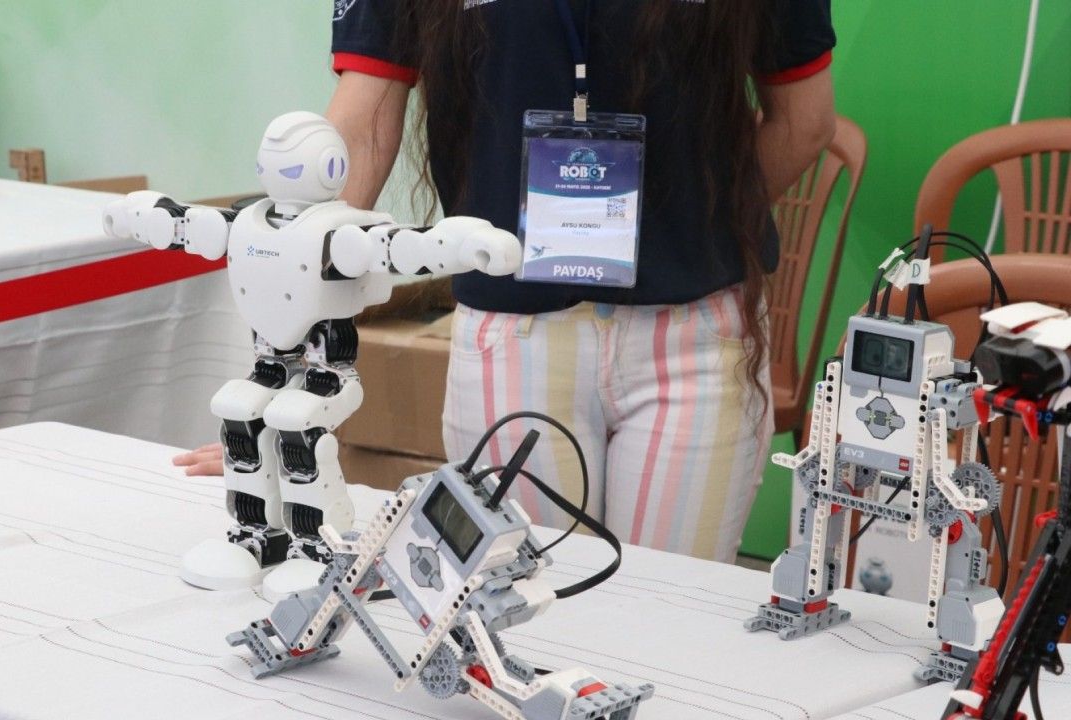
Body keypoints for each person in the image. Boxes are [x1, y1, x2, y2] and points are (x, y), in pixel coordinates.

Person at [176, 0, 836, 564]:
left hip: (664, 346)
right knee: (585, 612)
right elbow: (361, 133)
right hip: (569, 333)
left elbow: (804, 122)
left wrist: (702, 228)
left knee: (574, 610)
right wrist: (284, 382)